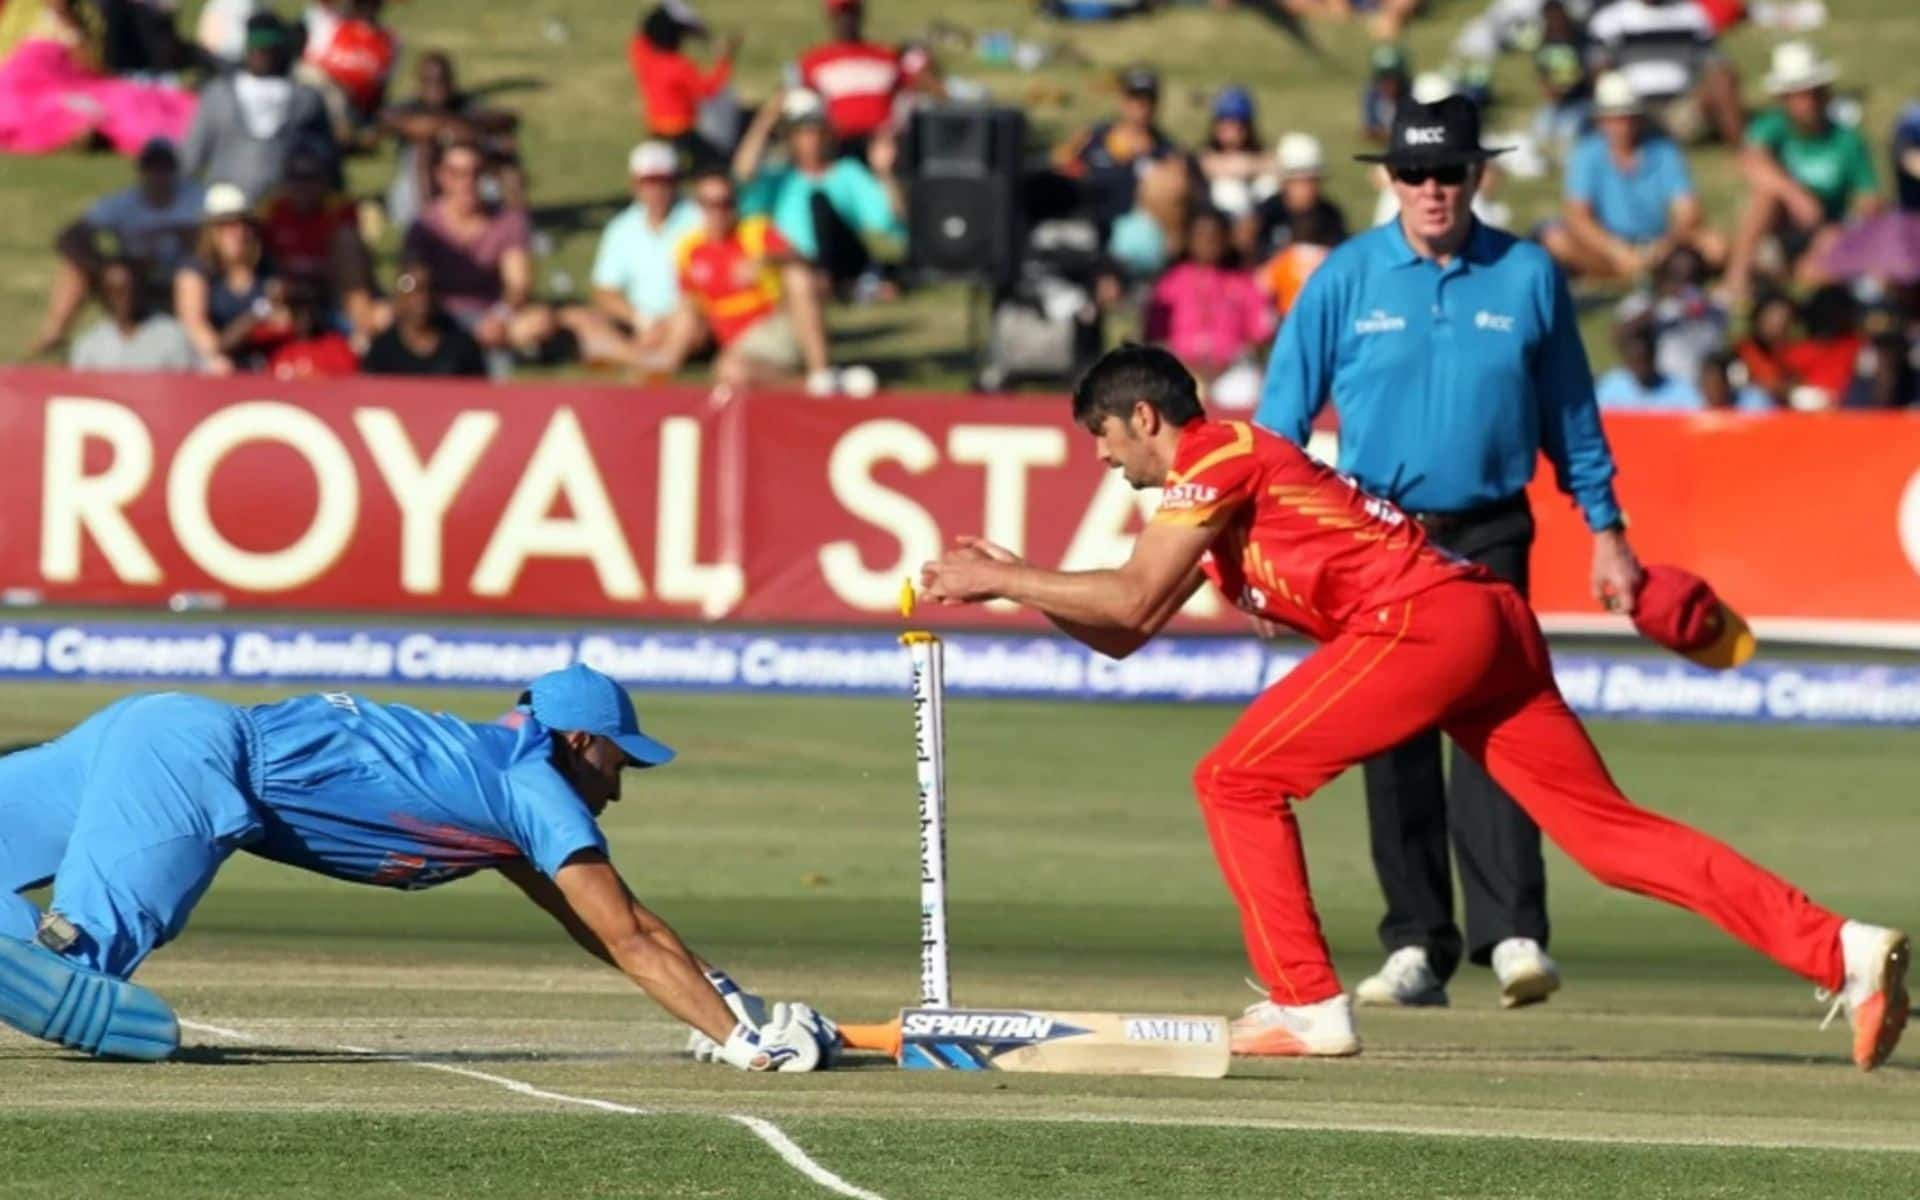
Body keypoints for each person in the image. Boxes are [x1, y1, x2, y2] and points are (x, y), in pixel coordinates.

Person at [918, 343, 1911, 1071]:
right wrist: (1028, 586)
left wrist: (1012, 582)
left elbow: (1130, 595)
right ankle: (1841, 949)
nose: (1104, 462)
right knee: (1610, 841)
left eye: (1102, 439)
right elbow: (1129, 629)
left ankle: (1307, 1005)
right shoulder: (1218, 500)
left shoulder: (1215, 453)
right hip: (1482, 619)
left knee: (1234, 779)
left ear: (1144, 418)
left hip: (1424, 622)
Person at [1254, 95, 1646, 1012]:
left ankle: (1512, 932)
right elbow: (1279, 426)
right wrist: (1269, 549)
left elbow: (1573, 419)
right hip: (1376, 537)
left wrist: (1609, 530)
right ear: (1391, 180)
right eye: (1416, 174)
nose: (1433, 190)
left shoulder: (1527, 276)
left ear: (1480, 176)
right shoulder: (1347, 277)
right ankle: (1416, 944)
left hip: (1492, 529)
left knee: (1501, 726)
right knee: (1387, 738)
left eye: (1451, 173)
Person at [0, 664, 842, 1073]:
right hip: (191, 765)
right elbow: (627, 940)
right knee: (82, 987)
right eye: (621, 765)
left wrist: (726, 1001)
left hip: (158, 725)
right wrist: (750, 1046)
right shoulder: (535, 793)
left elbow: (617, 923)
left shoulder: (500, 781)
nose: (619, 790)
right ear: (579, 743)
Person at [646, 169, 848, 394]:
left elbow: (807, 264)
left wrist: (768, 259)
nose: (718, 212)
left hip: (775, 325)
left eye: (725, 203)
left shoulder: (755, 232)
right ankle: (814, 388)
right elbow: (689, 302)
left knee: (798, 277)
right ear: (699, 206)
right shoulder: (689, 250)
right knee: (729, 368)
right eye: (710, 204)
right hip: (735, 342)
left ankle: (821, 373)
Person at [1726, 42, 1881, 296]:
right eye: (1796, 94)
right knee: (1764, 196)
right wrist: (1795, 194)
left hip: (1826, 230)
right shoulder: (1774, 127)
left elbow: (1870, 199)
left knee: (1824, 267)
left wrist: (1844, 230)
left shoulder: (1846, 139)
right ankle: (1737, 277)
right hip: (1782, 225)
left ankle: (1789, 275)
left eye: (1811, 93)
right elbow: (1751, 161)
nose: (1805, 103)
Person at [30, 137, 204, 358]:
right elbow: (69, 236)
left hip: (185, 275)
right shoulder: (124, 203)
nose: (158, 176)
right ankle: (53, 332)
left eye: (164, 168)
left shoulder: (195, 200)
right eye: (152, 168)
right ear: (141, 172)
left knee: (190, 276)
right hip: (135, 276)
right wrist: (102, 267)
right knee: (75, 268)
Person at [1543, 72, 1720, 282]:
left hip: (1656, 242)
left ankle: (1629, 272)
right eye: (1615, 118)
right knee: (1558, 239)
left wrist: (1666, 244)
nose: (1622, 126)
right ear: (1601, 121)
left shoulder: (1663, 150)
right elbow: (1578, 216)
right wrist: (1615, 249)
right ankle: (1627, 272)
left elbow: (1689, 211)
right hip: (1607, 244)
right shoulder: (1586, 154)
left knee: (1715, 246)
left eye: (1628, 117)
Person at [731, 88, 904, 296]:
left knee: (819, 202)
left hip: (843, 257)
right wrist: (765, 121)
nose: (811, 139)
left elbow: (887, 220)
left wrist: (884, 175)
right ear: (789, 137)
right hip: (796, 262)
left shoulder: (847, 172)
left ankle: (842, 281)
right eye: (802, 132)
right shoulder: (779, 178)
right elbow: (742, 174)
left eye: (815, 130)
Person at [402, 140, 556, 363]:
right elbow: (410, 281)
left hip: (491, 316)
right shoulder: (424, 226)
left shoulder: (508, 221)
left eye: (474, 172)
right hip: (437, 317)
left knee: (541, 319)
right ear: (441, 176)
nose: (467, 181)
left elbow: (519, 284)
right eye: (457, 173)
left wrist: (500, 316)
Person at [180, 12, 337, 206]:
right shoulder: (217, 95)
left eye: (268, 49)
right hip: (226, 204)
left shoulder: (306, 99)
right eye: (257, 49)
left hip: (285, 209)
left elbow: (327, 158)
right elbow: (191, 156)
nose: (262, 55)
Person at [378, 51, 523, 234]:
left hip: (466, 181)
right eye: (430, 82)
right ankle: (431, 231)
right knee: (425, 148)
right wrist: (448, 128)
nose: (436, 89)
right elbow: (392, 122)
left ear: (452, 82)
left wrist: (463, 130)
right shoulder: (408, 108)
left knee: (504, 149)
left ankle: (518, 230)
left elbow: (507, 119)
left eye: (441, 81)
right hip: (415, 190)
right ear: (420, 83)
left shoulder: (466, 106)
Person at [591, 141, 703, 358]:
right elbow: (604, 291)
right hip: (639, 322)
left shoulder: (698, 220)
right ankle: (642, 356)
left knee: (689, 322)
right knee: (580, 318)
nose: (657, 190)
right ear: (634, 184)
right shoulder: (621, 228)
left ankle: (640, 357)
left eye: (664, 182)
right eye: (649, 182)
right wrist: (642, 320)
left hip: (685, 319)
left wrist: (666, 324)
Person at [1144, 208, 1272, 398]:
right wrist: (1187, 367)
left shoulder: (1245, 282)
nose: (1208, 242)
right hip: (1181, 371)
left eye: (1214, 236)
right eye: (1201, 236)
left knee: (1246, 389)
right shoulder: (1170, 282)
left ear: (1226, 239)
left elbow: (1260, 336)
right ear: (1189, 239)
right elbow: (1155, 338)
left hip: (1231, 372)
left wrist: (1225, 364)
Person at [258, 146, 378, 341]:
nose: (302, 186)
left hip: (330, 296)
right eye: (296, 178)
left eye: (309, 178)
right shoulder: (272, 211)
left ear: (323, 181)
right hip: (290, 297)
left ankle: (361, 332)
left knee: (347, 242)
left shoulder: (339, 211)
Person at [1585, 0, 1744, 147]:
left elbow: (1712, 61)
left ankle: (1742, 147)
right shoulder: (1609, 21)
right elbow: (1598, 72)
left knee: (1722, 78)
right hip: (1631, 111)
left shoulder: (1692, 15)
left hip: (1681, 107)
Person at [173, 182, 287, 374]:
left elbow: (281, 321)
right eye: (227, 225)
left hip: (261, 358)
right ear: (211, 231)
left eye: (244, 224)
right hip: (210, 362)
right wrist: (256, 316)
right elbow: (199, 332)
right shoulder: (194, 272)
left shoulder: (267, 270)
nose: (238, 233)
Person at [1053, 65, 1181, 228]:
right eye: (1135, 97)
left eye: (1148, 99)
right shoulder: (1093, 137)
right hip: (1090, 225)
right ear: (1123, 100)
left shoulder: (1165, 151)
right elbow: (1059, 166)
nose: (1141, 105)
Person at [628, 1, 739, 170]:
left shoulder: (640, 54)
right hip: (680, 129)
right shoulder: (679, 66)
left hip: (655, 126)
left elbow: (642, 35)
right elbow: (708, 90)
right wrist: (723, 59)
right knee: (717, 162)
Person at [796, 0, 902, 161]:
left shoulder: (886, 57)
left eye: (852, 12)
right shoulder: (814, 62)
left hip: (883, 145)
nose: (847, 20)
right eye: (842, 14)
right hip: (838, 146)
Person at [69, 257, 197, 373]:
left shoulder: (172, 335)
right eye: (114, 292)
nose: (123, 299)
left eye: (128, 289)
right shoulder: (89, 345)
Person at [363, 260, 489, 377]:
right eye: (412, 291)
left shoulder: (462, 346)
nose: (422, 299)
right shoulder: (383, 351)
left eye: (428, 288)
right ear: (398, 299)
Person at [1239, 132, 1349, 263]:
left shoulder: (1330, 215)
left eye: (1312, 180)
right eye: (1299, 180)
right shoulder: (1268, 212)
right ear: (1284, 182)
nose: (1307, 188)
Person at [1595, 316, 1708, 409]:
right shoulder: (1608, 390)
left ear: (1654, 353)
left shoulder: (1683, 391)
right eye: (1635, 361)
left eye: (1645, 359)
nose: (1641, 366)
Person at [1198, 86, 1270, 220]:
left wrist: (1249, 165)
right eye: (1224, 121)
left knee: (1267, 185)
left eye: (1235, 122)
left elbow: (1276, 164)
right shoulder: (1206, 155)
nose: (1229, 128)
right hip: (1220, 223)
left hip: (1258, 220)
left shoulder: (1260, 155)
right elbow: (1205, 164)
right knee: (1228, 188)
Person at [266, 278, 359, 380]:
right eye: (297, 311)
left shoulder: (336, 347)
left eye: (309, 311)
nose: (303, 318)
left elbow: (349, 385)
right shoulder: (281, 350)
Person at [1360, 44, 1410, 146]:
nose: (1387, 84)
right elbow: (1368, 131)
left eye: (1392, 78)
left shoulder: (1412, 96)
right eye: (1383, 78)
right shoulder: (1372, 95)